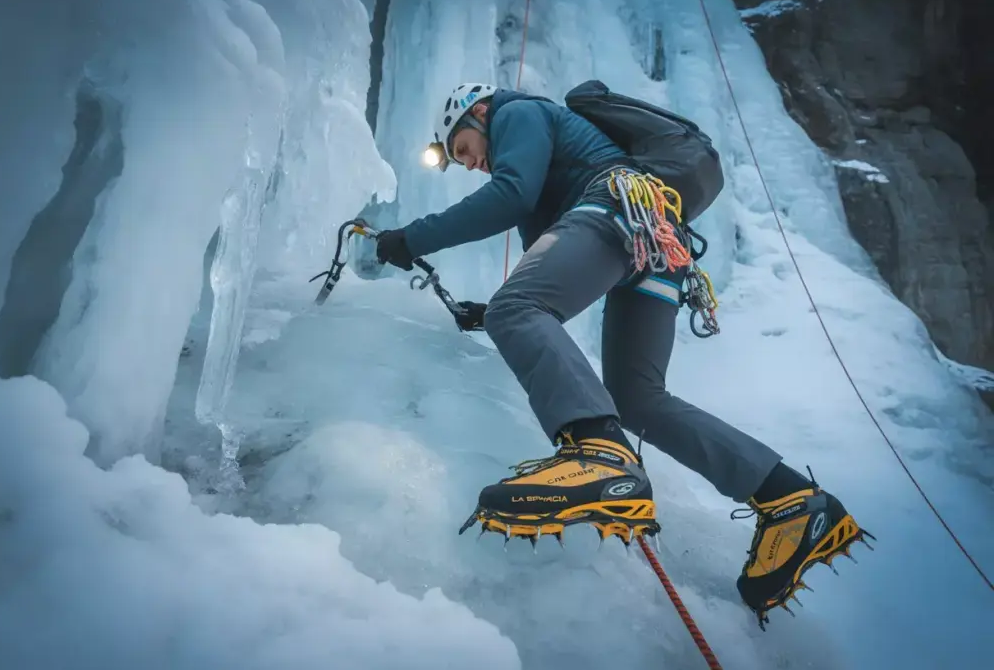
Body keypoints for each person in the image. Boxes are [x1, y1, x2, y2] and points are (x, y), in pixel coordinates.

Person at [373, 82, 871, 628]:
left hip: (619, 205)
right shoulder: (547, 170)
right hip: (656, 238)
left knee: (520, 313)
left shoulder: (518, 113)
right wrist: (491, 307)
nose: (470, 165)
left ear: (481, 112)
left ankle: (601, 456)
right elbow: (556, 265)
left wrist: (410, 239)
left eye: (464, 149)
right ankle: (791, 500)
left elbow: (512, 197)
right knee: (637, 398)